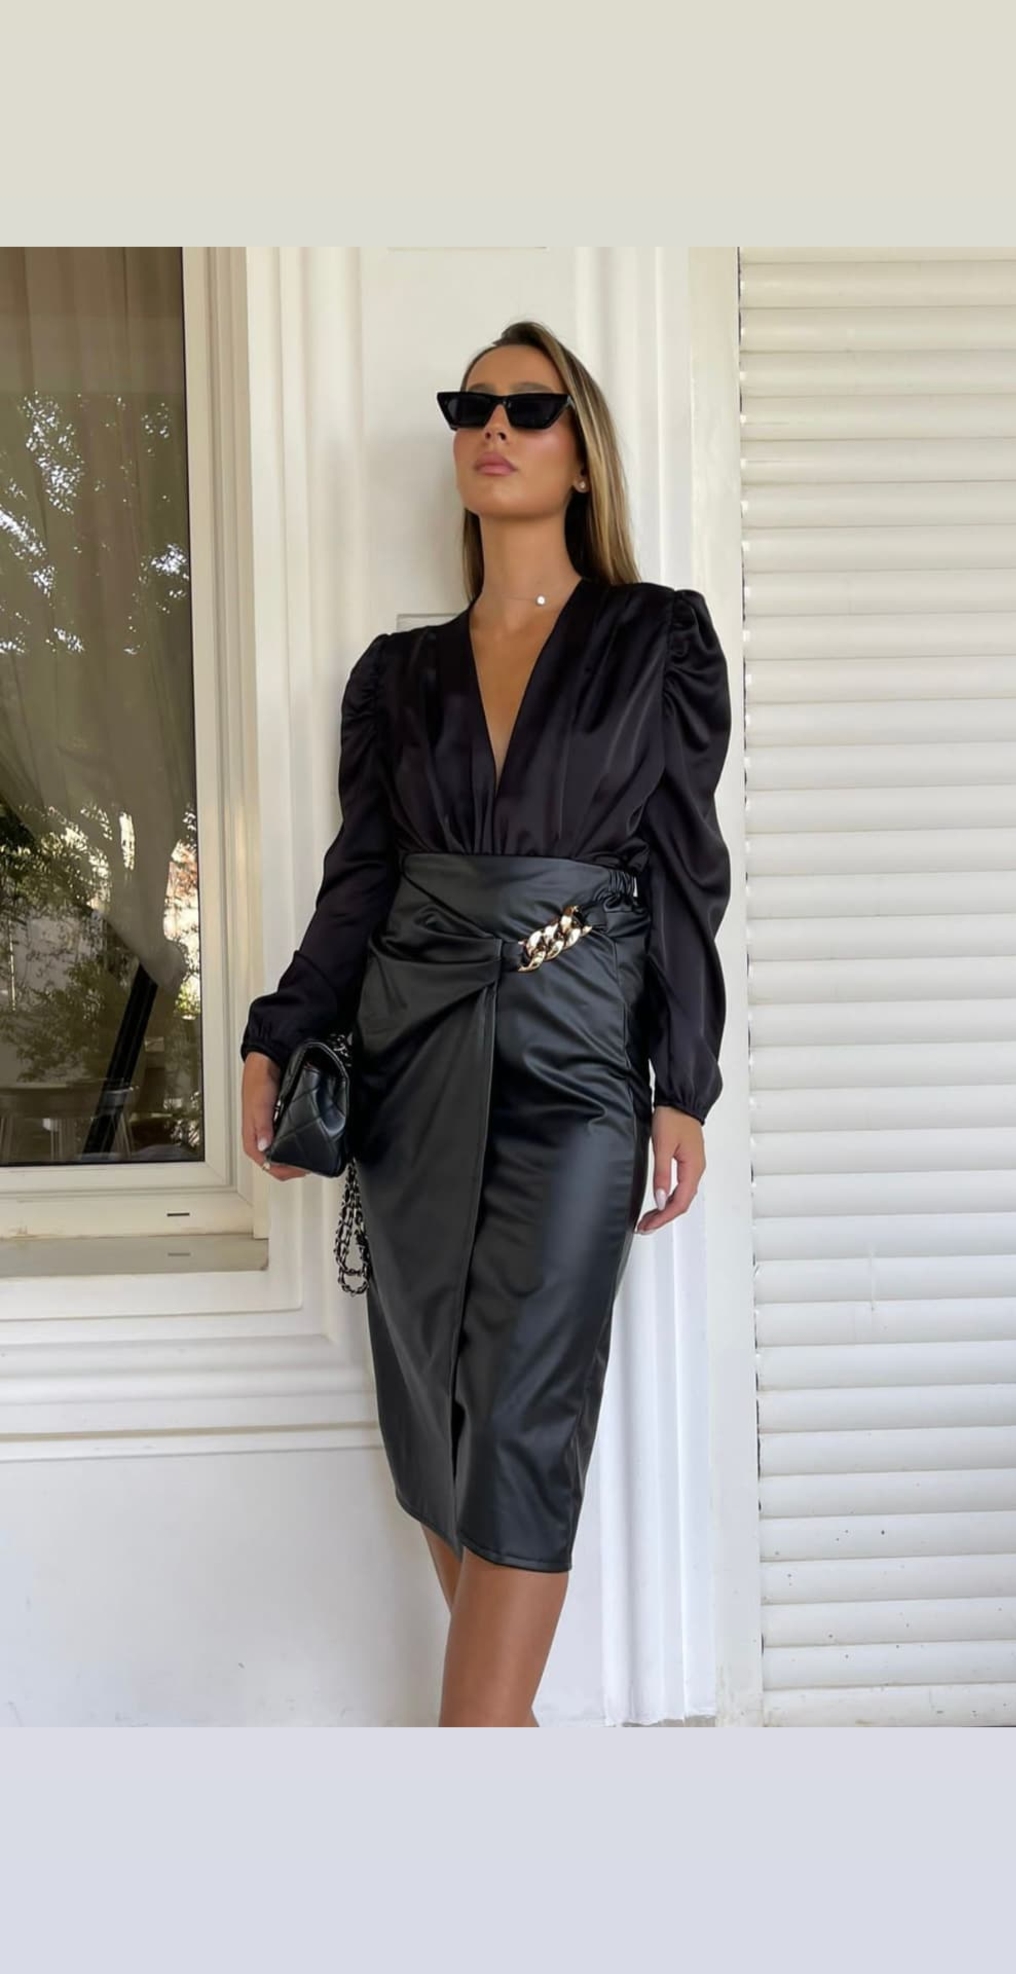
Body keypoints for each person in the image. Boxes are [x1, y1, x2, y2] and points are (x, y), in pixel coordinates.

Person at [240, 318, 732, 1727]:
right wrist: (277, 1031)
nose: (493, 427)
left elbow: (685, 875)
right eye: (471, 407)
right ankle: (500, 1744)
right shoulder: (395, 677)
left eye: (528, 405)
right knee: (435, 1403)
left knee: (524, 1406)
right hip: (412, 1055)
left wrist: (683, 1078)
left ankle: (472, 1749)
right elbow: (360, 883)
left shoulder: (656, 639)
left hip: (581, 1060)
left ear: (582, 453)